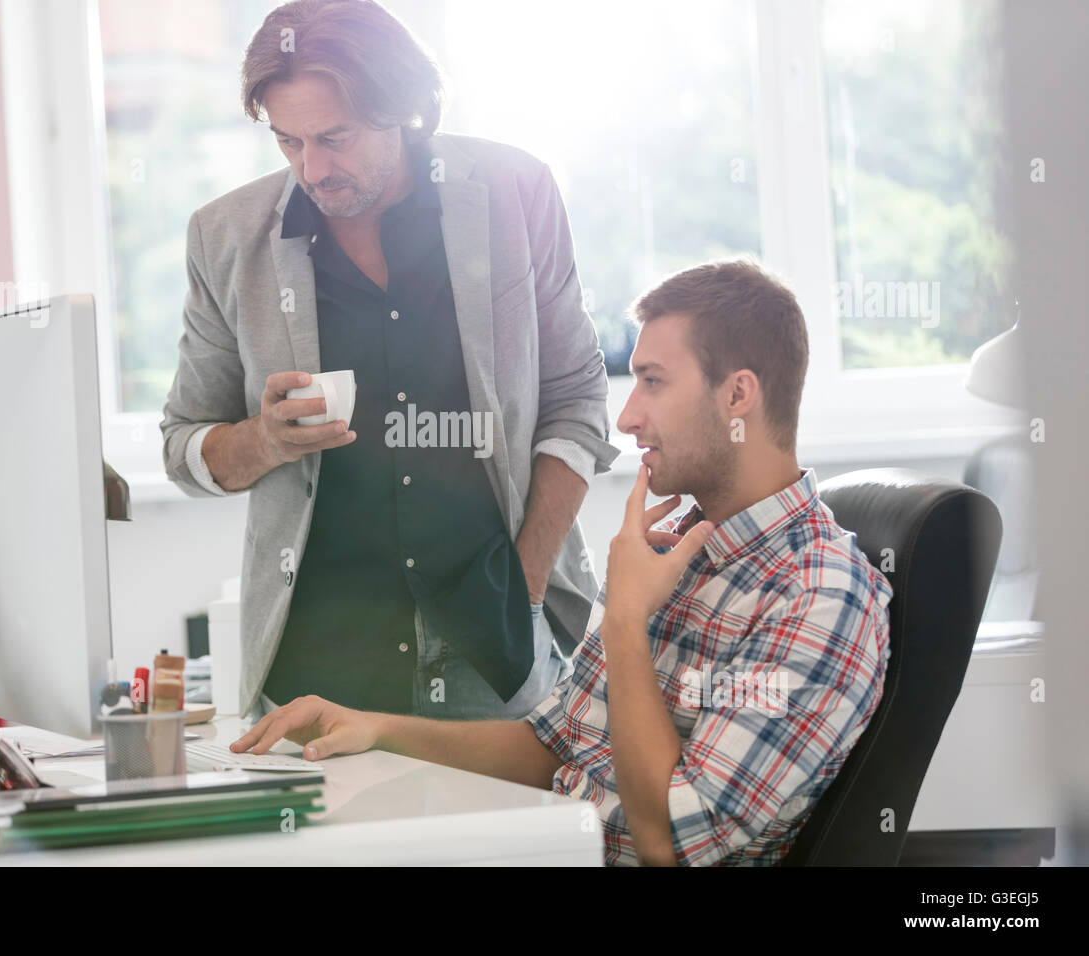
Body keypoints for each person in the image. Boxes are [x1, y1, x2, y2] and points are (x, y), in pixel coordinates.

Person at [230, 259, 894, 866]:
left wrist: (627, 621)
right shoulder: (668, 552)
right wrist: (376, 730)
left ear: (738, 396)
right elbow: (550, 747)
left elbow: (671, 841)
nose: (627, 418)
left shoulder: (819, 595)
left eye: (653, 383)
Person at [160, 0, 619, 723]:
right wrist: (264, 439)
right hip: (317, 663)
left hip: (495, 654)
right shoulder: (226, 238)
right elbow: (184, 445)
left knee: (508, 842)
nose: (312, 168)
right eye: (288, 142)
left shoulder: (515, 191)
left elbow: (577, 399)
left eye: (334, 138)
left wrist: (526, 588)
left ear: (402, 108)